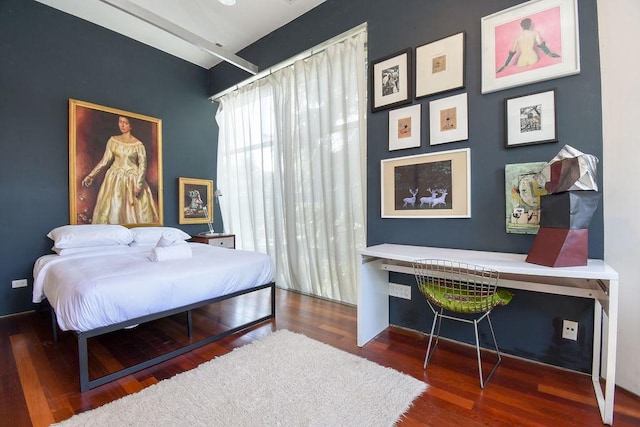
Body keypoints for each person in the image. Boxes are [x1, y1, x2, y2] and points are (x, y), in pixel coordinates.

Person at [82, 116, 159, 224]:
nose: (122, 125)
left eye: (125, 123)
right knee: (114, 207)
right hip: (114, 179)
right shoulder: (113, 141)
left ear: (131, 125)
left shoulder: (138, 145)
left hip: (133, 179)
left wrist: (139, 184)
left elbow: (143, 165)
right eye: (120, 122)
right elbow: (105, 160)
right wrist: (91, 175)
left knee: (135, 213)